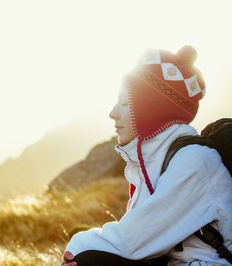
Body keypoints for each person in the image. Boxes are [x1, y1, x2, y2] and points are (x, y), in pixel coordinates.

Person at [60, 46, 232, 265]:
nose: (112, 113)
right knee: (90, 258)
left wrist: (76, 246)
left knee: (88, 258)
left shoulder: (193, 161)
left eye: (124, 103)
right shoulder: (156, 160)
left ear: (150, 108)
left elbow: (130, 241)